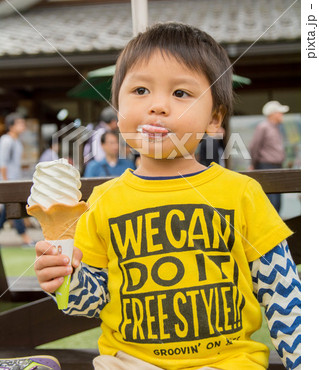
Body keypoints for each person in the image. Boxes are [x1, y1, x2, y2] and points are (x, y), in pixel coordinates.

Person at [34, 23, 300, 370]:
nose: (157, 106)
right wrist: (64, 278)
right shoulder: (102, 200)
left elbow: (284, 298)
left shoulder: (241, 194)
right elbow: (88, 302)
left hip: (228, 363)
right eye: (141, 90)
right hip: (129, 363)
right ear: (117, 111)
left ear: (215, 119)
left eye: (181, 94)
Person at [0, 112, 34, 246]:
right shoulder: (6, 140)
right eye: (20, 123)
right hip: (8, 182)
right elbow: (2, 163)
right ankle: (25, 238)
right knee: (13, 207)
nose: (23, 126)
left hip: (14, 180)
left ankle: (25, 237)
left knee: (6, 213)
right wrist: (6, 182)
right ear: (11, 126)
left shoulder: (17, 142)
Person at [249, 100, 289, 212]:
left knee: (278, 198)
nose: (282, 115)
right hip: (266, 166)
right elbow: (254, 146)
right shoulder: (263, 127)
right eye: (279, 112)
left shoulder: (277, 127)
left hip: (277, 166)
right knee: (272, 199)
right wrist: (253, 164)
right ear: (272, 114)